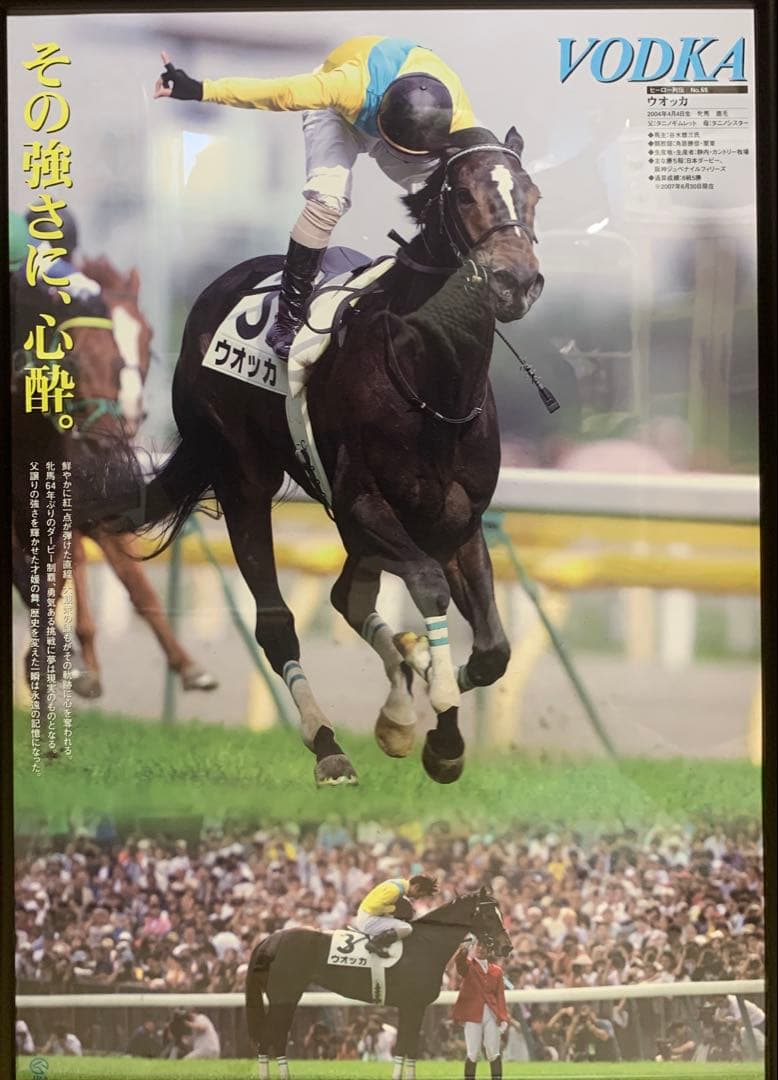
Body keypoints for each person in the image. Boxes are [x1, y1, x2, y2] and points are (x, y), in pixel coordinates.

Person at [154, 35, 476, 358]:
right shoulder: (345, 87)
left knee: (448, 197)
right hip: (337, 113)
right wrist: (199, 89)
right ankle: (288, 318)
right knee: (327, 199)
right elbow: (277, 92)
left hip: (406, 124)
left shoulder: (457, 113)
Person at [452, 940, 511, 1080]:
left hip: (491, 1013)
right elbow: (460, 964)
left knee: (493, 1051)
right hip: (473, 1014)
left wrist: (503, 1017)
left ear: (490, 950)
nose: (481, 949)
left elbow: (500, 996)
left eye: (484, 946)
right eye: (478, 945)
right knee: (473, 1052)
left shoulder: (497, 971)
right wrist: (463, 950)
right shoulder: (469, 966)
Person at [354, 873, 438, 956]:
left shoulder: (399, 883)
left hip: (367, 916)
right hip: (368, 921)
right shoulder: (394, 890)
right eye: (420, 894)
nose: (417, 898)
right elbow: (374, 907)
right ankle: (375, 943)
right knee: (406, 928)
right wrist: (394, 909)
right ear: (416, 887)